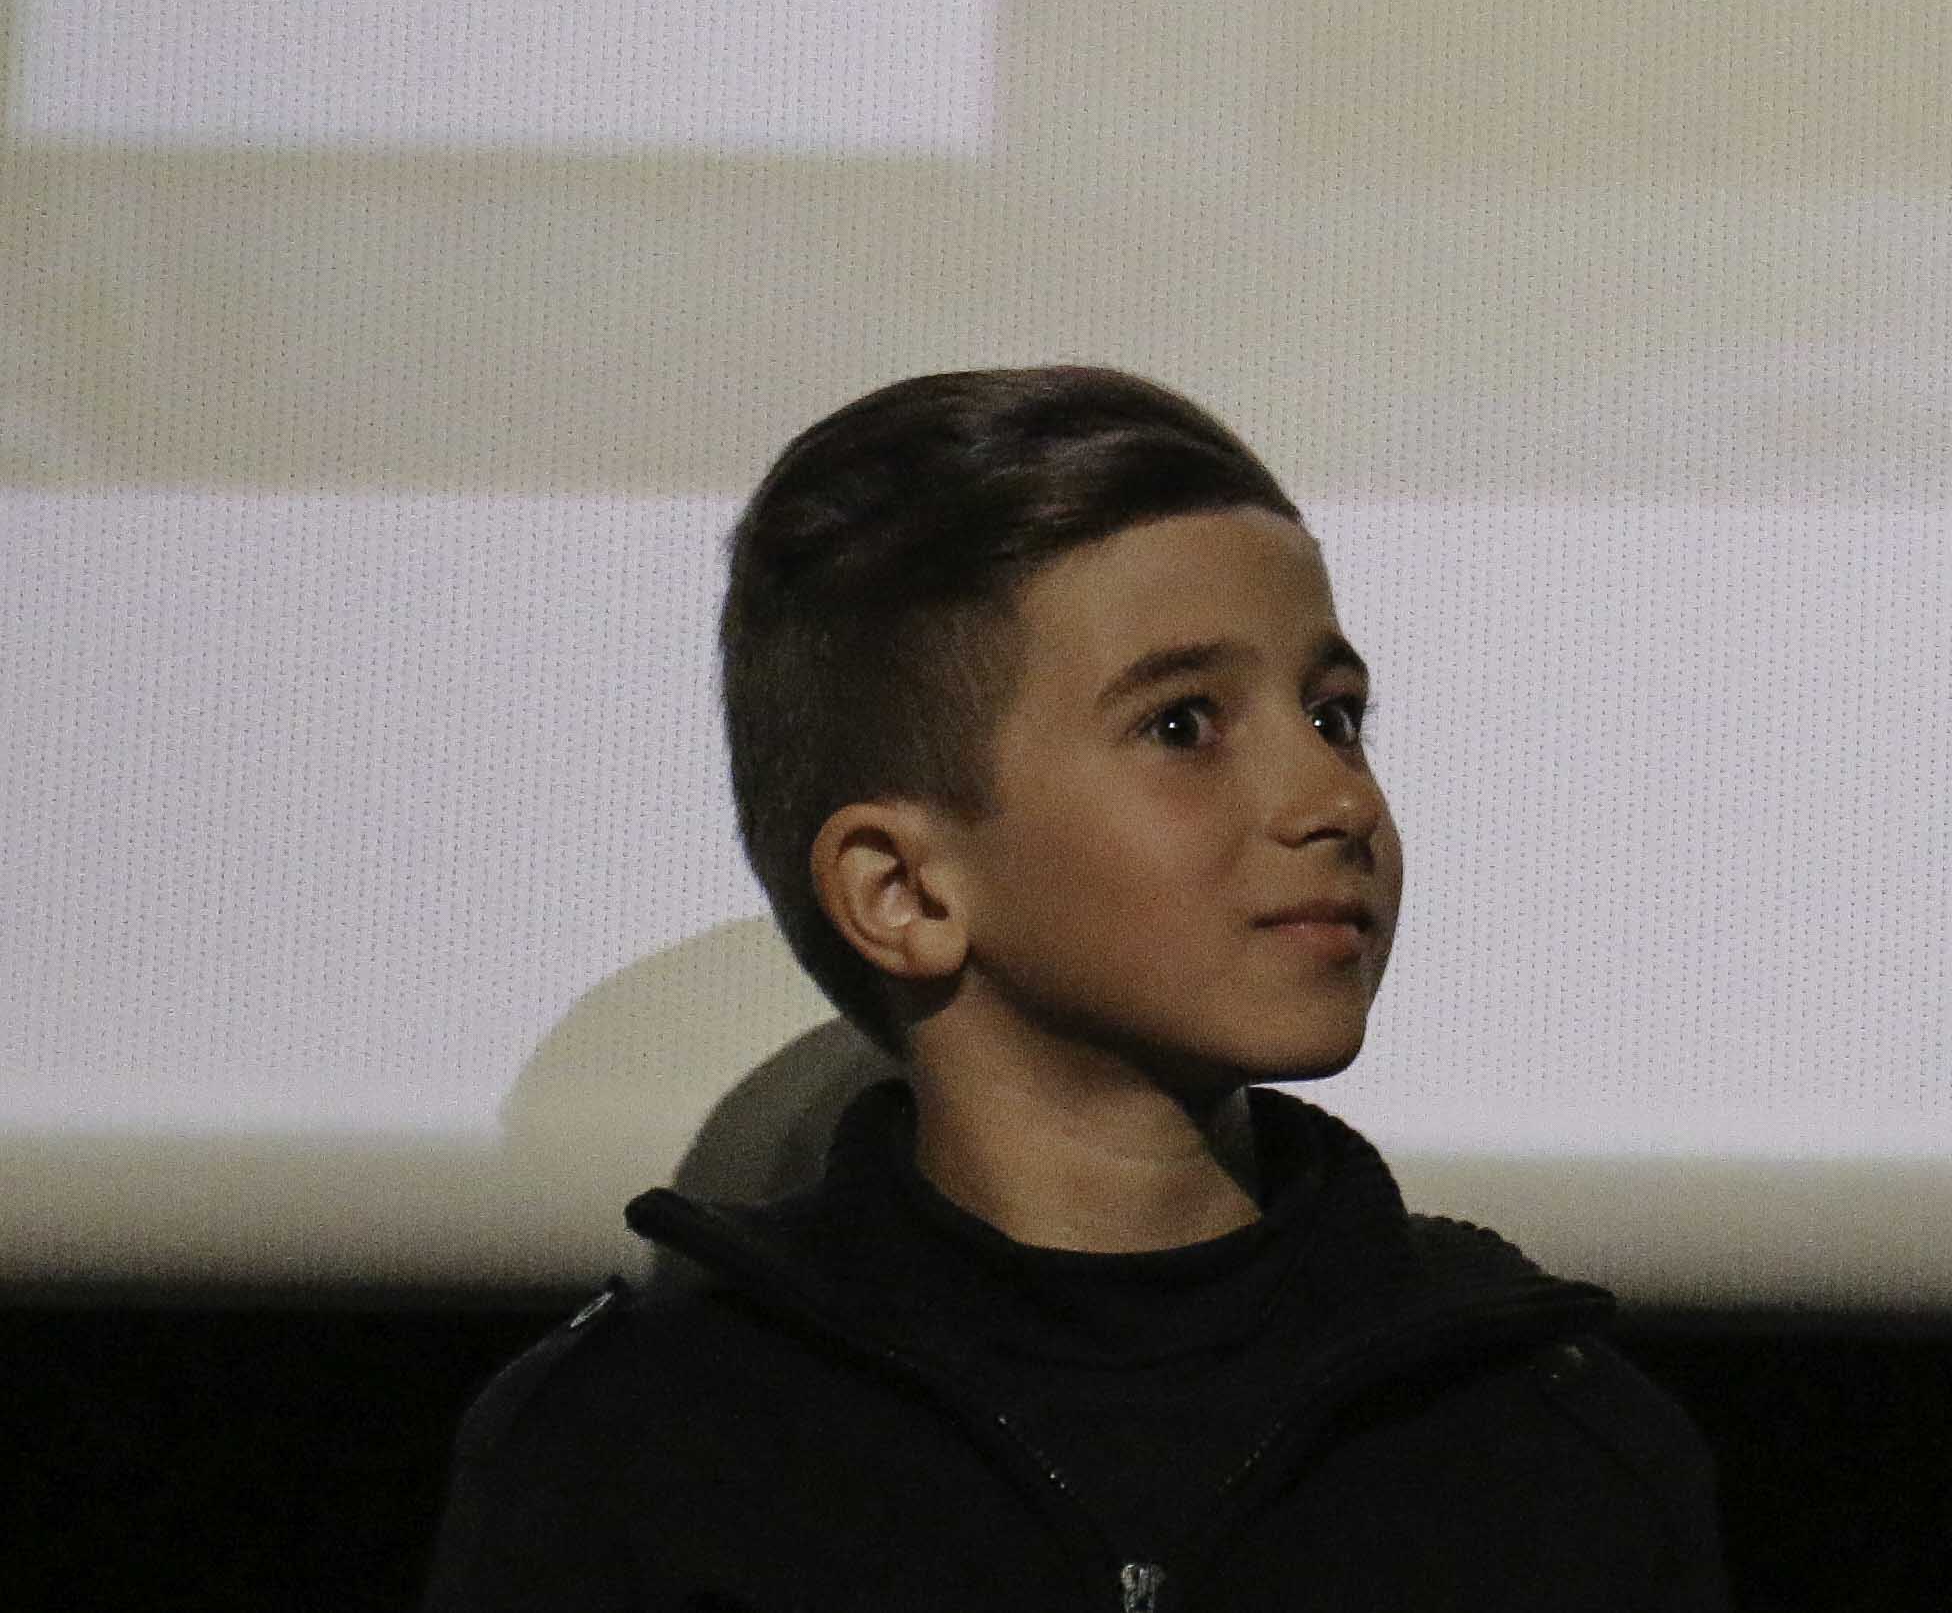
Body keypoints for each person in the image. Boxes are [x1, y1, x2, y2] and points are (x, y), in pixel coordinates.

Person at [425, 366, 1730, 1610]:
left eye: (1333, 714)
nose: (1335, 799)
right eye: (1182, 725)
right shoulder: (640, 1455)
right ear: (904, 891)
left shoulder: (1546, 1439)